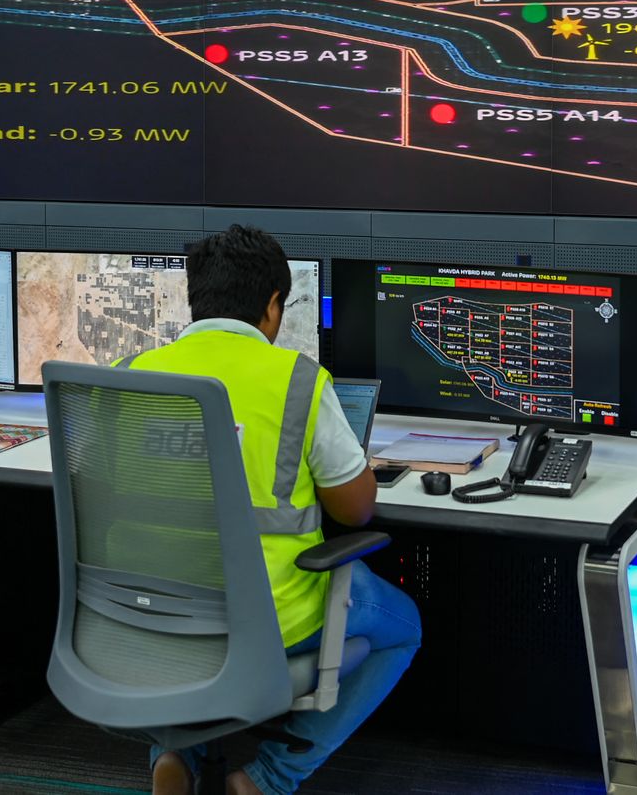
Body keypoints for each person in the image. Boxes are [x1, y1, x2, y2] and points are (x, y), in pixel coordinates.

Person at [119, 225, 420, 795]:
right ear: (274, 304)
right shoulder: (297, 380)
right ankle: (267, 779)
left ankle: (173, 756)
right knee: (404, 628)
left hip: (148, 612)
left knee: (190, 603)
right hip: (274, 618)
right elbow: (357, 510)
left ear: (195, 297)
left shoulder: (129, 373)